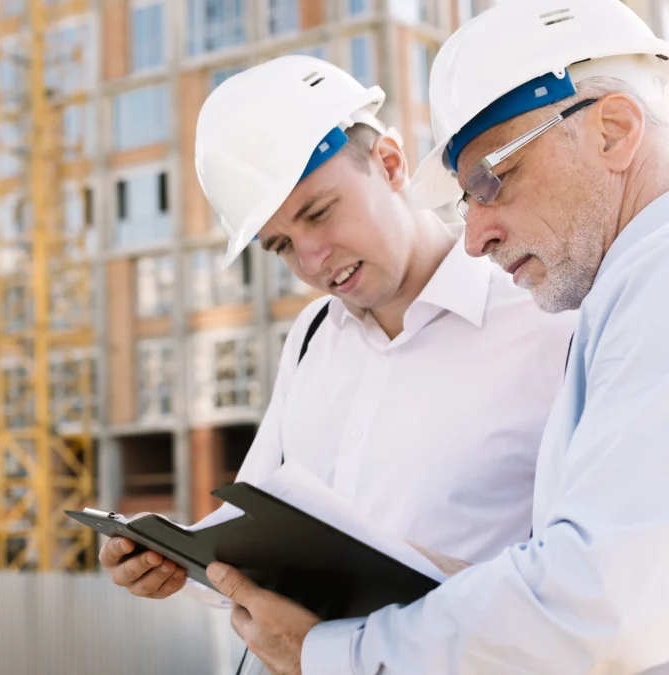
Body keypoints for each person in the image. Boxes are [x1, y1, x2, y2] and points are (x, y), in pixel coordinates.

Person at [204, 1, 669, 673]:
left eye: (490, 179)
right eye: (281, 245)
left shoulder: (615, 298)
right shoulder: (621, 293)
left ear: (613, 130)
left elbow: (598, 603)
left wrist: (331, 653)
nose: (474, 236)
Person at [98, 55, 574, 672]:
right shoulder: (312, 335)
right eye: (282, 246)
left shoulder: (548, 316)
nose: (315, 260)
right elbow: (251, 518)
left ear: (391, 164)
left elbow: (591, 579)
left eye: (320, 213)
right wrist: (173, 557)